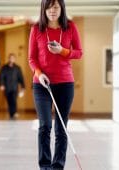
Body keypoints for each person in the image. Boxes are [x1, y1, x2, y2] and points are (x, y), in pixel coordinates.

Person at [28, 0, 82, 169]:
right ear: (43, 9)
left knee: (61, 128)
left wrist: (62, 51)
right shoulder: (36, 29)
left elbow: (79, 53)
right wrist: (39, 73)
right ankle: (45, 166)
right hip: (41, 84)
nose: (52, 10)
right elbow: (31, 58)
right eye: (49, 7)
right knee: (45, 125)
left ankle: (58, 165)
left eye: (56, 7)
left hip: (65, 83)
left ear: (61, 8)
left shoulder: (70, 27)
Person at [0, 53, 25, 120]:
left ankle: (14, 112)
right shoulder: (4, 68)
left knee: (13, 100)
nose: (11, 59)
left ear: (14, 59)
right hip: (7, 88)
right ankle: (12, 114)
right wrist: (1, 85)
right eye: (10, 58)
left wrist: (23, 87)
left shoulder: (17, 68)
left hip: (14, 87)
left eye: (13, 58)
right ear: (9, 58)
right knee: (9, 101)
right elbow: (1, 77)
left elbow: (21, 78)